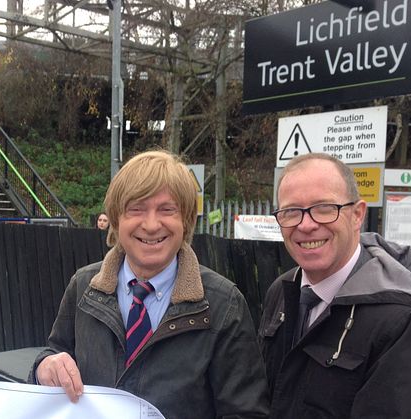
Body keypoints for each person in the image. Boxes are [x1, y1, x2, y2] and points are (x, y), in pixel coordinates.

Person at [32, 150, 269, 418]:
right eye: (136, 209)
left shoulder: (223, 304)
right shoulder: (84, 286)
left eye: (167, 210)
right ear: (116, 218)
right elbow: (55, 352)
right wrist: (44, 367)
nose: (152, 224)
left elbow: (246, 412)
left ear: (186, 219)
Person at [259, 153, 411, 418]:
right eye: (291, 212)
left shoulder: (405, 322)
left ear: (357, 215)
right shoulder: (281, 290)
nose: (306, 224)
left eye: (324, 208)